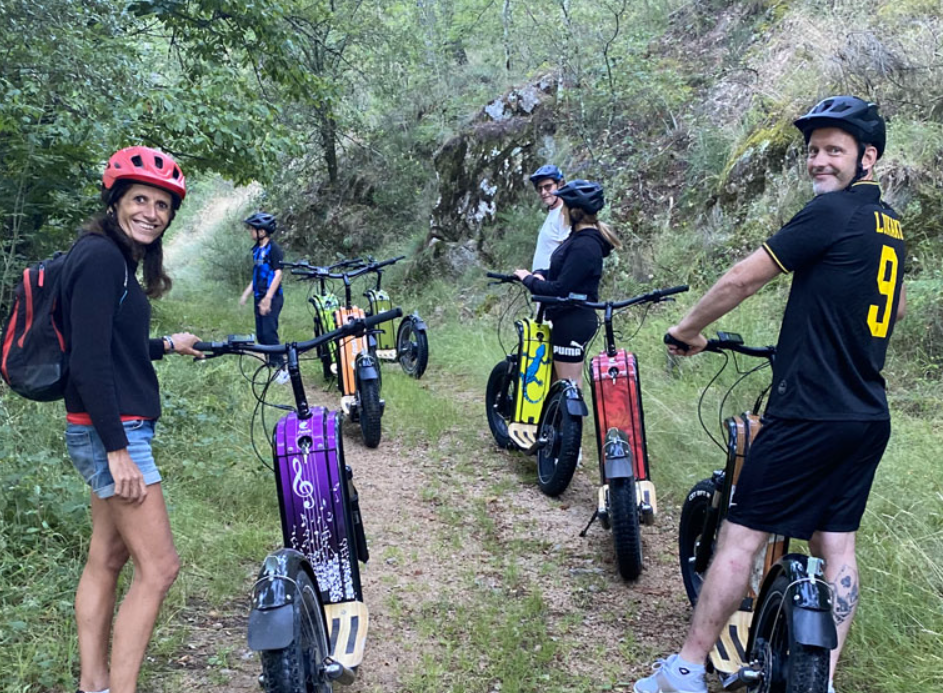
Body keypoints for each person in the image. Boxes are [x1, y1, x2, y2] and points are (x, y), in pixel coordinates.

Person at [635, 96, 905, 693]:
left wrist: (686, 330)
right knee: (836, 545)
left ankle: (684, 669)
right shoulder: (890, 227)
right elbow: (897, 306)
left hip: (809, 410)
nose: (819, 161)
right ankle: (822, 681)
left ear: (869, 156)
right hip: (866, 415)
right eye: (813, 151)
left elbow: (743, 277)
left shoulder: (830, 215)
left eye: (834, 150)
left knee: (743, 534)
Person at [61, 146, 204, 693]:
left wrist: (167, 345)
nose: (151, 212)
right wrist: (118, 449)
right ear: (115, 200)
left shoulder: (107, 256)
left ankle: (93, 684)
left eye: (162, 205)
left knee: (109, 556)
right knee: (160, 567)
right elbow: (88, 362)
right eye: (140, 199)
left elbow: (110, 346)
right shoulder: (101, 259)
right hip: (112, 432)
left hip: (100, 426)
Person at [513, 179, 620, 388]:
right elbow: (565, 273)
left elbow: (561, 289)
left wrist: (529, 280)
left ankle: (571, 422)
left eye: (565, 207)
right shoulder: (578, 239)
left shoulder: (585, 245)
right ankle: (553, 421)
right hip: (567, 318)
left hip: (573, 321)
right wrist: (540, 274)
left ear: (572, 211)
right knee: (557, 387)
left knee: (569, 386)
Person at [238, 211, 287, 384]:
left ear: (263, 231)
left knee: (269, 332)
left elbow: (278, 275)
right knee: (261, 334)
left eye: (253, 228)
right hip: (259, 296)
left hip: (272, 297)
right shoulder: (256, 250)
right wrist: (246, 294)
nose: (250, 232)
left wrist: (268, 298)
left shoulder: (274, 249)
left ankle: (282, 368)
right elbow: (257, 275)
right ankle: (270, 364)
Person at [528, 164, 570, 275]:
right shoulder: (553, 213)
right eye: (539, 188)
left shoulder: (564, 213)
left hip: (554, 287)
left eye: (548, 187)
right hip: (543, 287)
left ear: (560, 185)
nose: (543, 192)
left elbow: (569, 255)